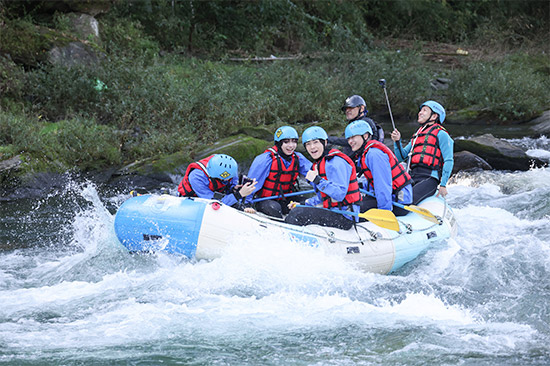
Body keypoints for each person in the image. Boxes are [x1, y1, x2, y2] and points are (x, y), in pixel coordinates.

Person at [285, 126, 361, 230]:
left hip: (345, 216)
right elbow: (323, 197)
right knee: (297, 209)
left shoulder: (336, 162)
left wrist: (317, 180)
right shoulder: (320, 164)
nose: (312, 147)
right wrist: (303, 204)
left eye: (315, 142)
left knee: (297, 214)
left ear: (324, 142)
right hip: (333, 211)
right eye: (308, 144)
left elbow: (339, 195)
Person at [390, 100, 454, 203]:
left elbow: (449, 160)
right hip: (412, 176)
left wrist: (443, 185)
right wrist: (397, 142)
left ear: (434, 116)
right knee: (393, 196)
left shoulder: (442, 134)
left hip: (429, 178)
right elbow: (400, 157)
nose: (420, 112)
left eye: (424, 110)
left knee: (406, 200)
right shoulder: (417, 135)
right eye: (420, 110)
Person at [345, 120, 413, 216]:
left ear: (365, 136)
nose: (350, 141)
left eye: (353, 137)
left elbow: (383, 186)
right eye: (348, 139)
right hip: (388, 197)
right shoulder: (366, 153)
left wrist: (384, 213)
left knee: (351, 210)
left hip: (398, 201)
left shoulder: (374, 154)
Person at [244, 126, 312, 218]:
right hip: (265, 200)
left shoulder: (298, 158)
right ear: (279, 143)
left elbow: (314, 174)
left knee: (307, 204)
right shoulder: (266, 159)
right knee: (274, 208)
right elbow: (251, 183)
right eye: (286, 142)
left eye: (294, 141)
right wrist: (246, 204)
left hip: (286, 199)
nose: (291, 145)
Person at [177, 153, 256, 208]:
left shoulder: (231, 169)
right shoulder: (197, 177)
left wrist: (234, 189)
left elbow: (230, 185)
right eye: (225, 179)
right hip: (195, 198)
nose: (228, 180)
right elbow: (213, 202)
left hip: (216, 194)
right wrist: (239, 194)